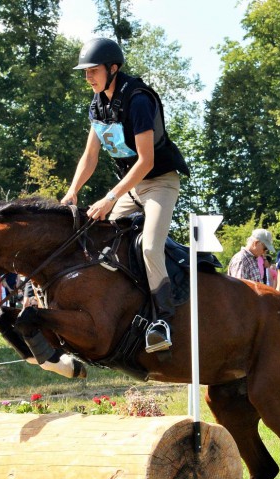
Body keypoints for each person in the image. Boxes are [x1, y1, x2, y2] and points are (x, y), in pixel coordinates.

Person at [60, 37, 190, 354]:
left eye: (93, 70)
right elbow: (89, 157)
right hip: (131, 187)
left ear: (113, 68)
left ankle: (163, 321)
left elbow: (146, 161)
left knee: (148, 246)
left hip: (159, 183)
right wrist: (72, 191)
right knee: (102, 241)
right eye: (85, 71)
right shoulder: (98, 105)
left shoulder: (138, 100)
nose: (87, 76)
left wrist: (109, 198)